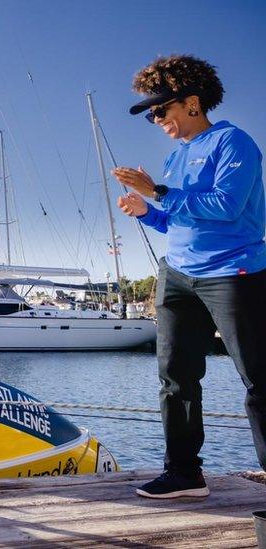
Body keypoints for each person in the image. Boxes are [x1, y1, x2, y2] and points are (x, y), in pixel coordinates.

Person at [113, 55, 266, 499]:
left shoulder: (233, 143)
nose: (157, 120)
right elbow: (176, 221)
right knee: (176, 377)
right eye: (152, 114)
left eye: (162, 110)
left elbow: (226, 207)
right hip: (177, 276)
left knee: (258, 379)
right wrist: (147, 212)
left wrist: (159, 192)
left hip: (233, 274)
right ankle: (184, 474)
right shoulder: (178, 157)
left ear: (192, 103)